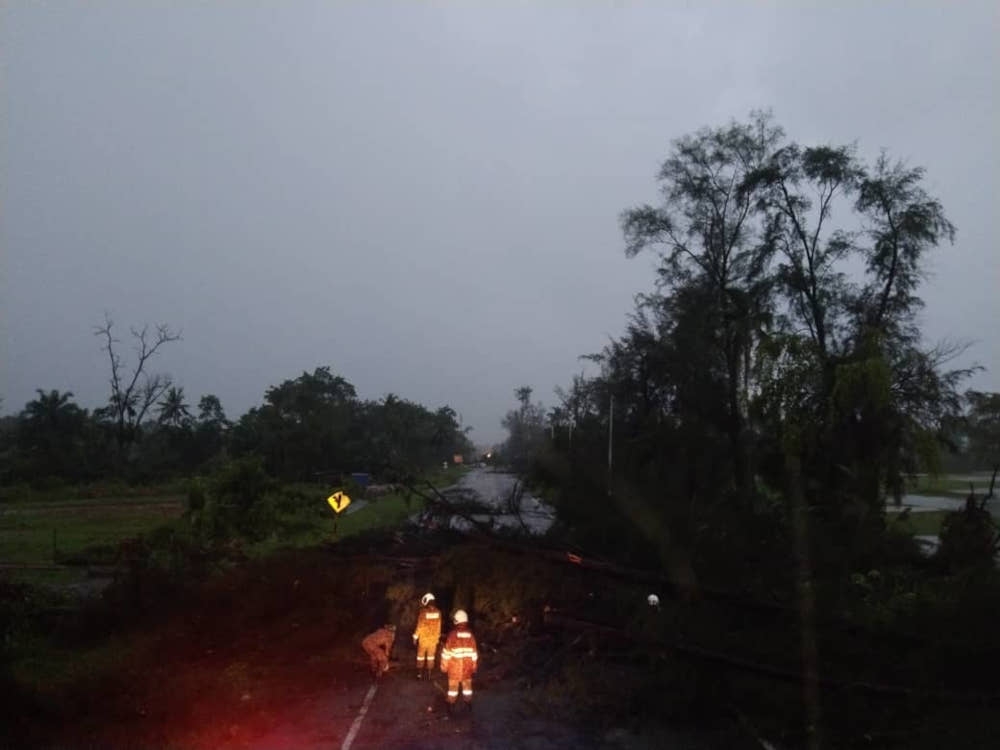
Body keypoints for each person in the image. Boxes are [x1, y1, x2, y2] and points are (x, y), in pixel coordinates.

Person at [440, 609, 478, 715]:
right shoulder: (471, 635)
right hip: (467, 669)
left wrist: (444, 666)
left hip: (454, 669)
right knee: (467, 689)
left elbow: (446, 653)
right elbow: (474, 653)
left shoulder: (452, 635)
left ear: (456, 621)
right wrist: (474, 666)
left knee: (453, 689)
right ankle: (468, 706)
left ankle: (450, 708)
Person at [412, 592, 442, 680]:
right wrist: (437, 638)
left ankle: (419, 674)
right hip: (433, 640)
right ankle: (429, 674)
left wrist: (415, 637)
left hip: (423, 639)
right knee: (431, 657)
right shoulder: (438, 612)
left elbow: (420, 626)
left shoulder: (423, 612)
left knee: (420, 656)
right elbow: (439, 627)